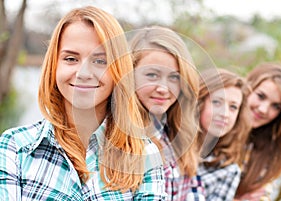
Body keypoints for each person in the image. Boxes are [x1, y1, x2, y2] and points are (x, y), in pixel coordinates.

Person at [0, 6, 166, 200]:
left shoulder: (145, 155)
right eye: (71, 58)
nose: (84, 73)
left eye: (100, 61)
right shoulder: (14, 147)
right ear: (54, 65)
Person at [129, 26, 204, 200]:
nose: (163, 88)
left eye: (174, 77)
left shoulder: (177, 133)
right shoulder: (115, 136)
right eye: (152, 75)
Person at [235, 62, 281, 201]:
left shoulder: (268, 154)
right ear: (248, 87)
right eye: (261, 96)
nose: (263, 109)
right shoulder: (213, 128)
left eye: (276, 106)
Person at [196, 68, 251, 201]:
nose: (225, 114)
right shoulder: (168, 141)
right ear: (199, 101)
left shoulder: (228, 171)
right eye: (216, 102)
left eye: (233, 107)